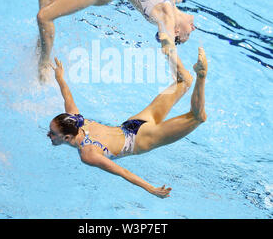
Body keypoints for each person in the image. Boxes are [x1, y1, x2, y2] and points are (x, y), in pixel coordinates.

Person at [47, 34, 207, 198]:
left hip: (142, 139)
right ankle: (169, 47)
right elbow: (67, 96)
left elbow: (121, 172)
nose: (49, 135)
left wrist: (150, 188)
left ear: (67, 138)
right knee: (184, 80)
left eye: (52, 133)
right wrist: (60, 77)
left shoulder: (88, 154)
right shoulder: (76, 120)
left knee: (198, 117)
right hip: (133, 124)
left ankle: (201, 75)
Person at [37, 0, 196, 82]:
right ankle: (44, 42)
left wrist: (180, 74)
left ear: (175, 31)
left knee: (44, 17)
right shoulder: (170, 0)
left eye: (188, 34)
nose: (193, 28)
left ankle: (44, 65)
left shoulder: (166, 16)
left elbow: (168, 47)